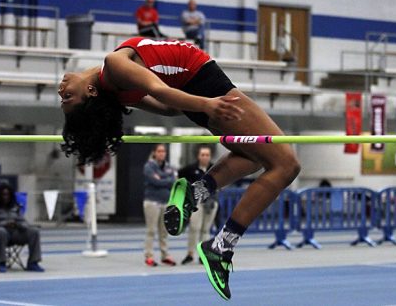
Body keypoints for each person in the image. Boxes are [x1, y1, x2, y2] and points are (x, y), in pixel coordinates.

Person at [58, 36, 300, 300]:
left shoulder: (116, 90)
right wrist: (207, 103)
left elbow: (170, 109)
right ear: (90, 93)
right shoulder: (114, 64)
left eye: (63, 96)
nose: (61, 90)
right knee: (287, 166)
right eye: (67, 97)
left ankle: (195, 193)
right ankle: (221, 246)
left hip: (197, 91)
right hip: (206, 85)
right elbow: (158, 90)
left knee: (255, 156)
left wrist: (195, 102)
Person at [0, 184, 44, 273]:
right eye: (3, 194)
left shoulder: (15, 207)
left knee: (34, 231)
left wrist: (19, 225)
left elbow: (23, 221)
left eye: (7, 195)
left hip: (15, 233)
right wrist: (4, 224)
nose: (5, 197)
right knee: (0, 232)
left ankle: (33, 262)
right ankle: (2, 262)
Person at [179, 145, 218, 265]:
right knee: (194, 228)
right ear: (198, 156)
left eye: (207, 155)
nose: (205, 157)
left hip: (211, 203)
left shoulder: (215, 168)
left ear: (210, 156)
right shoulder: (190, 169)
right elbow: (180, 178)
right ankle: (190, 254)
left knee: (205, 229)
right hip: (196, 203)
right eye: (203, 155)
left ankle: (203, 255)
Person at [142, 144, 177, 267]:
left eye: (164, 151)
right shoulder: (149, 166)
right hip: (152, 202)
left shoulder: (169, 167)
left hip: (165, 203)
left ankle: (165, 255)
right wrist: (167, 180)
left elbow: (174, 181)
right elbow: (155, 181)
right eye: (159, 151)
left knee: (164, 231)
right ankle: (149, 256)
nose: (162, 153)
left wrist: (163, 179)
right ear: (154, 153)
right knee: (151, 230)